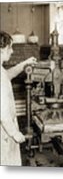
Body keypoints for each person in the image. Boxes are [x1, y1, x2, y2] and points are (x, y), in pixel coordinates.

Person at [0, 31, 37, 166]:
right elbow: (3, 114)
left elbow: (8, 75)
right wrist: (15, 134)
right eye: (10, 47)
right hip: (4, 134)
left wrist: (23, 64)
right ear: (1, 49)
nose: (12, 51)